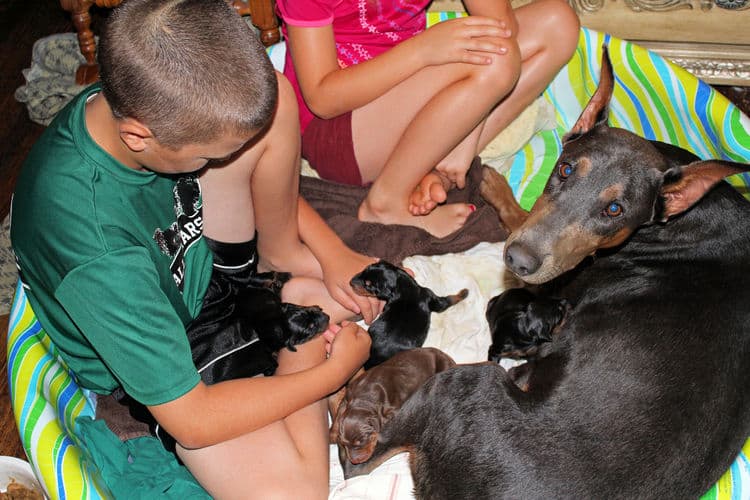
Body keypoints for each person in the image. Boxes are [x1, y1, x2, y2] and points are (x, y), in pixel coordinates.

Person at [10, 0, 382, 498]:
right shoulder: (96, 252)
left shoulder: (140, 97)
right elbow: (194, 421)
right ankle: (298, 344)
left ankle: (288, 286)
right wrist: (329, 374)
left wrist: (331, 250)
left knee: (276, 107)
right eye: (209, 158)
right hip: (172, 341)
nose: (223, 163)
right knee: (295, 493)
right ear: (138, 135)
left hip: (195, 272)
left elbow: (228, 139)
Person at [276, 0, 580, 238]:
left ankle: (441, 162)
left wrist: (472, 127)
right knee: (498, 61)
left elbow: (501, 30)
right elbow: (323, 99)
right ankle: (386, 201)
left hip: (411, 92)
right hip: (338, 130)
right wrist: (422, 51)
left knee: (558, 22)